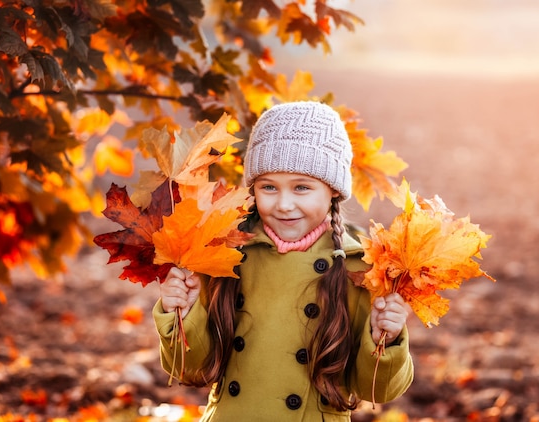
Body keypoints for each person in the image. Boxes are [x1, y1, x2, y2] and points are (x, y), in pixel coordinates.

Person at [153, 101, 414, 421]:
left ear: (333, 190)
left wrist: (383, 337)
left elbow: (375, 391)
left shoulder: (358, 269)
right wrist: (180, 310)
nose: (284, 204)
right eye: (268, 188)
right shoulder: (226, 254)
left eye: (302, 187)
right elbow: (188, 367)